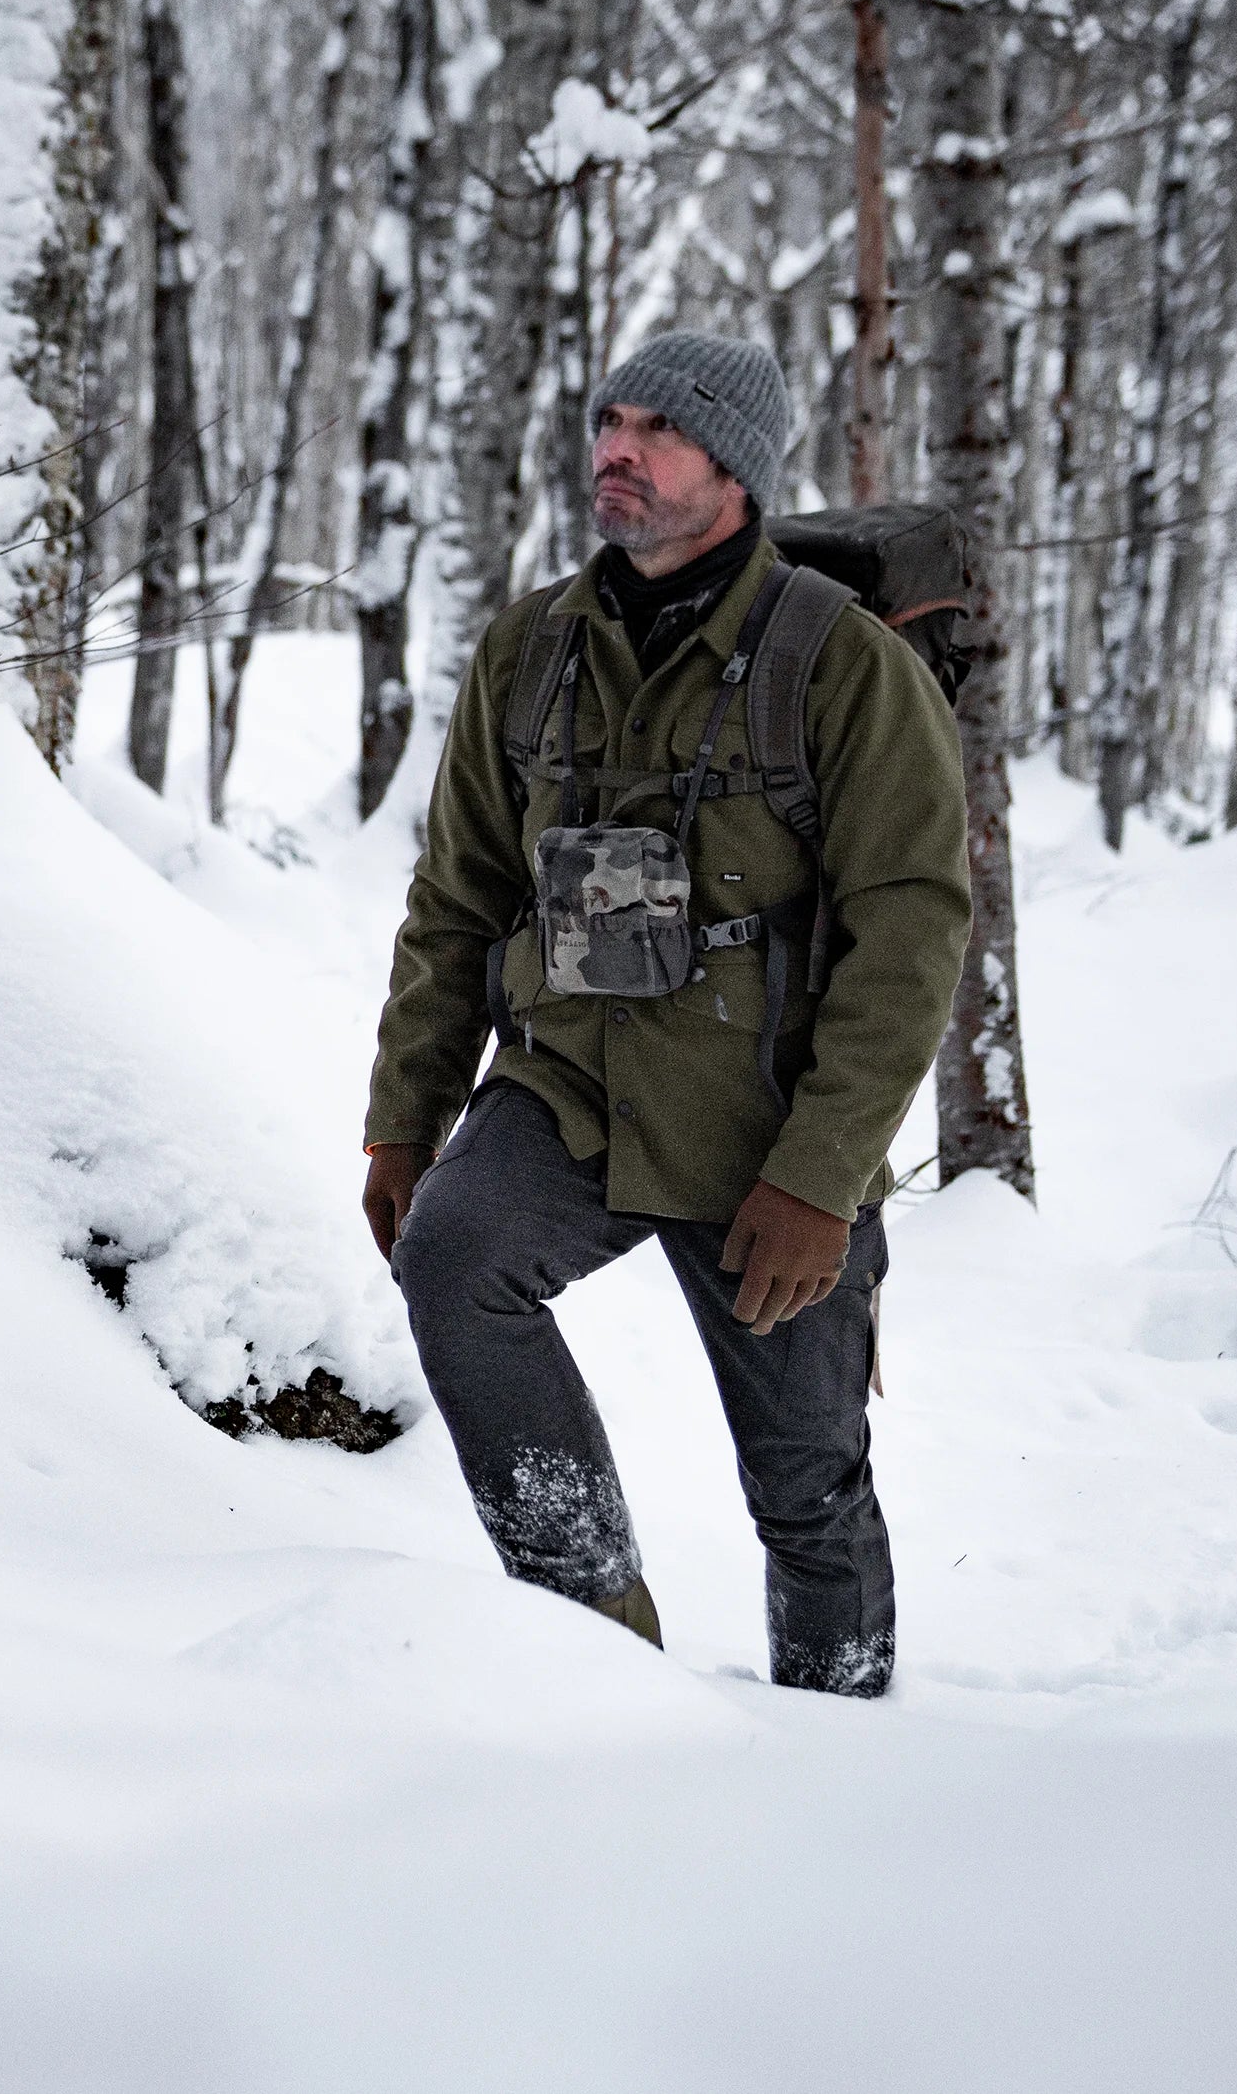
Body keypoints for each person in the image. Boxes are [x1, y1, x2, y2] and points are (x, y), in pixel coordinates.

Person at [360, 330, 971, 1696]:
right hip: (574, 1085)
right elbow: (458, 898)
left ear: (737, 470)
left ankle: (844, 1749)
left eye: (660, 432)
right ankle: (600, 1657)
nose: (617, 452)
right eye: (609, 422)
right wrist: (403, 1122)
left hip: (770, 1115)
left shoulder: (844, 666)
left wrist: (820, 1180)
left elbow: (912, 930)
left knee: (805, 1486)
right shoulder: (531, 651)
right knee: (456, 1264)